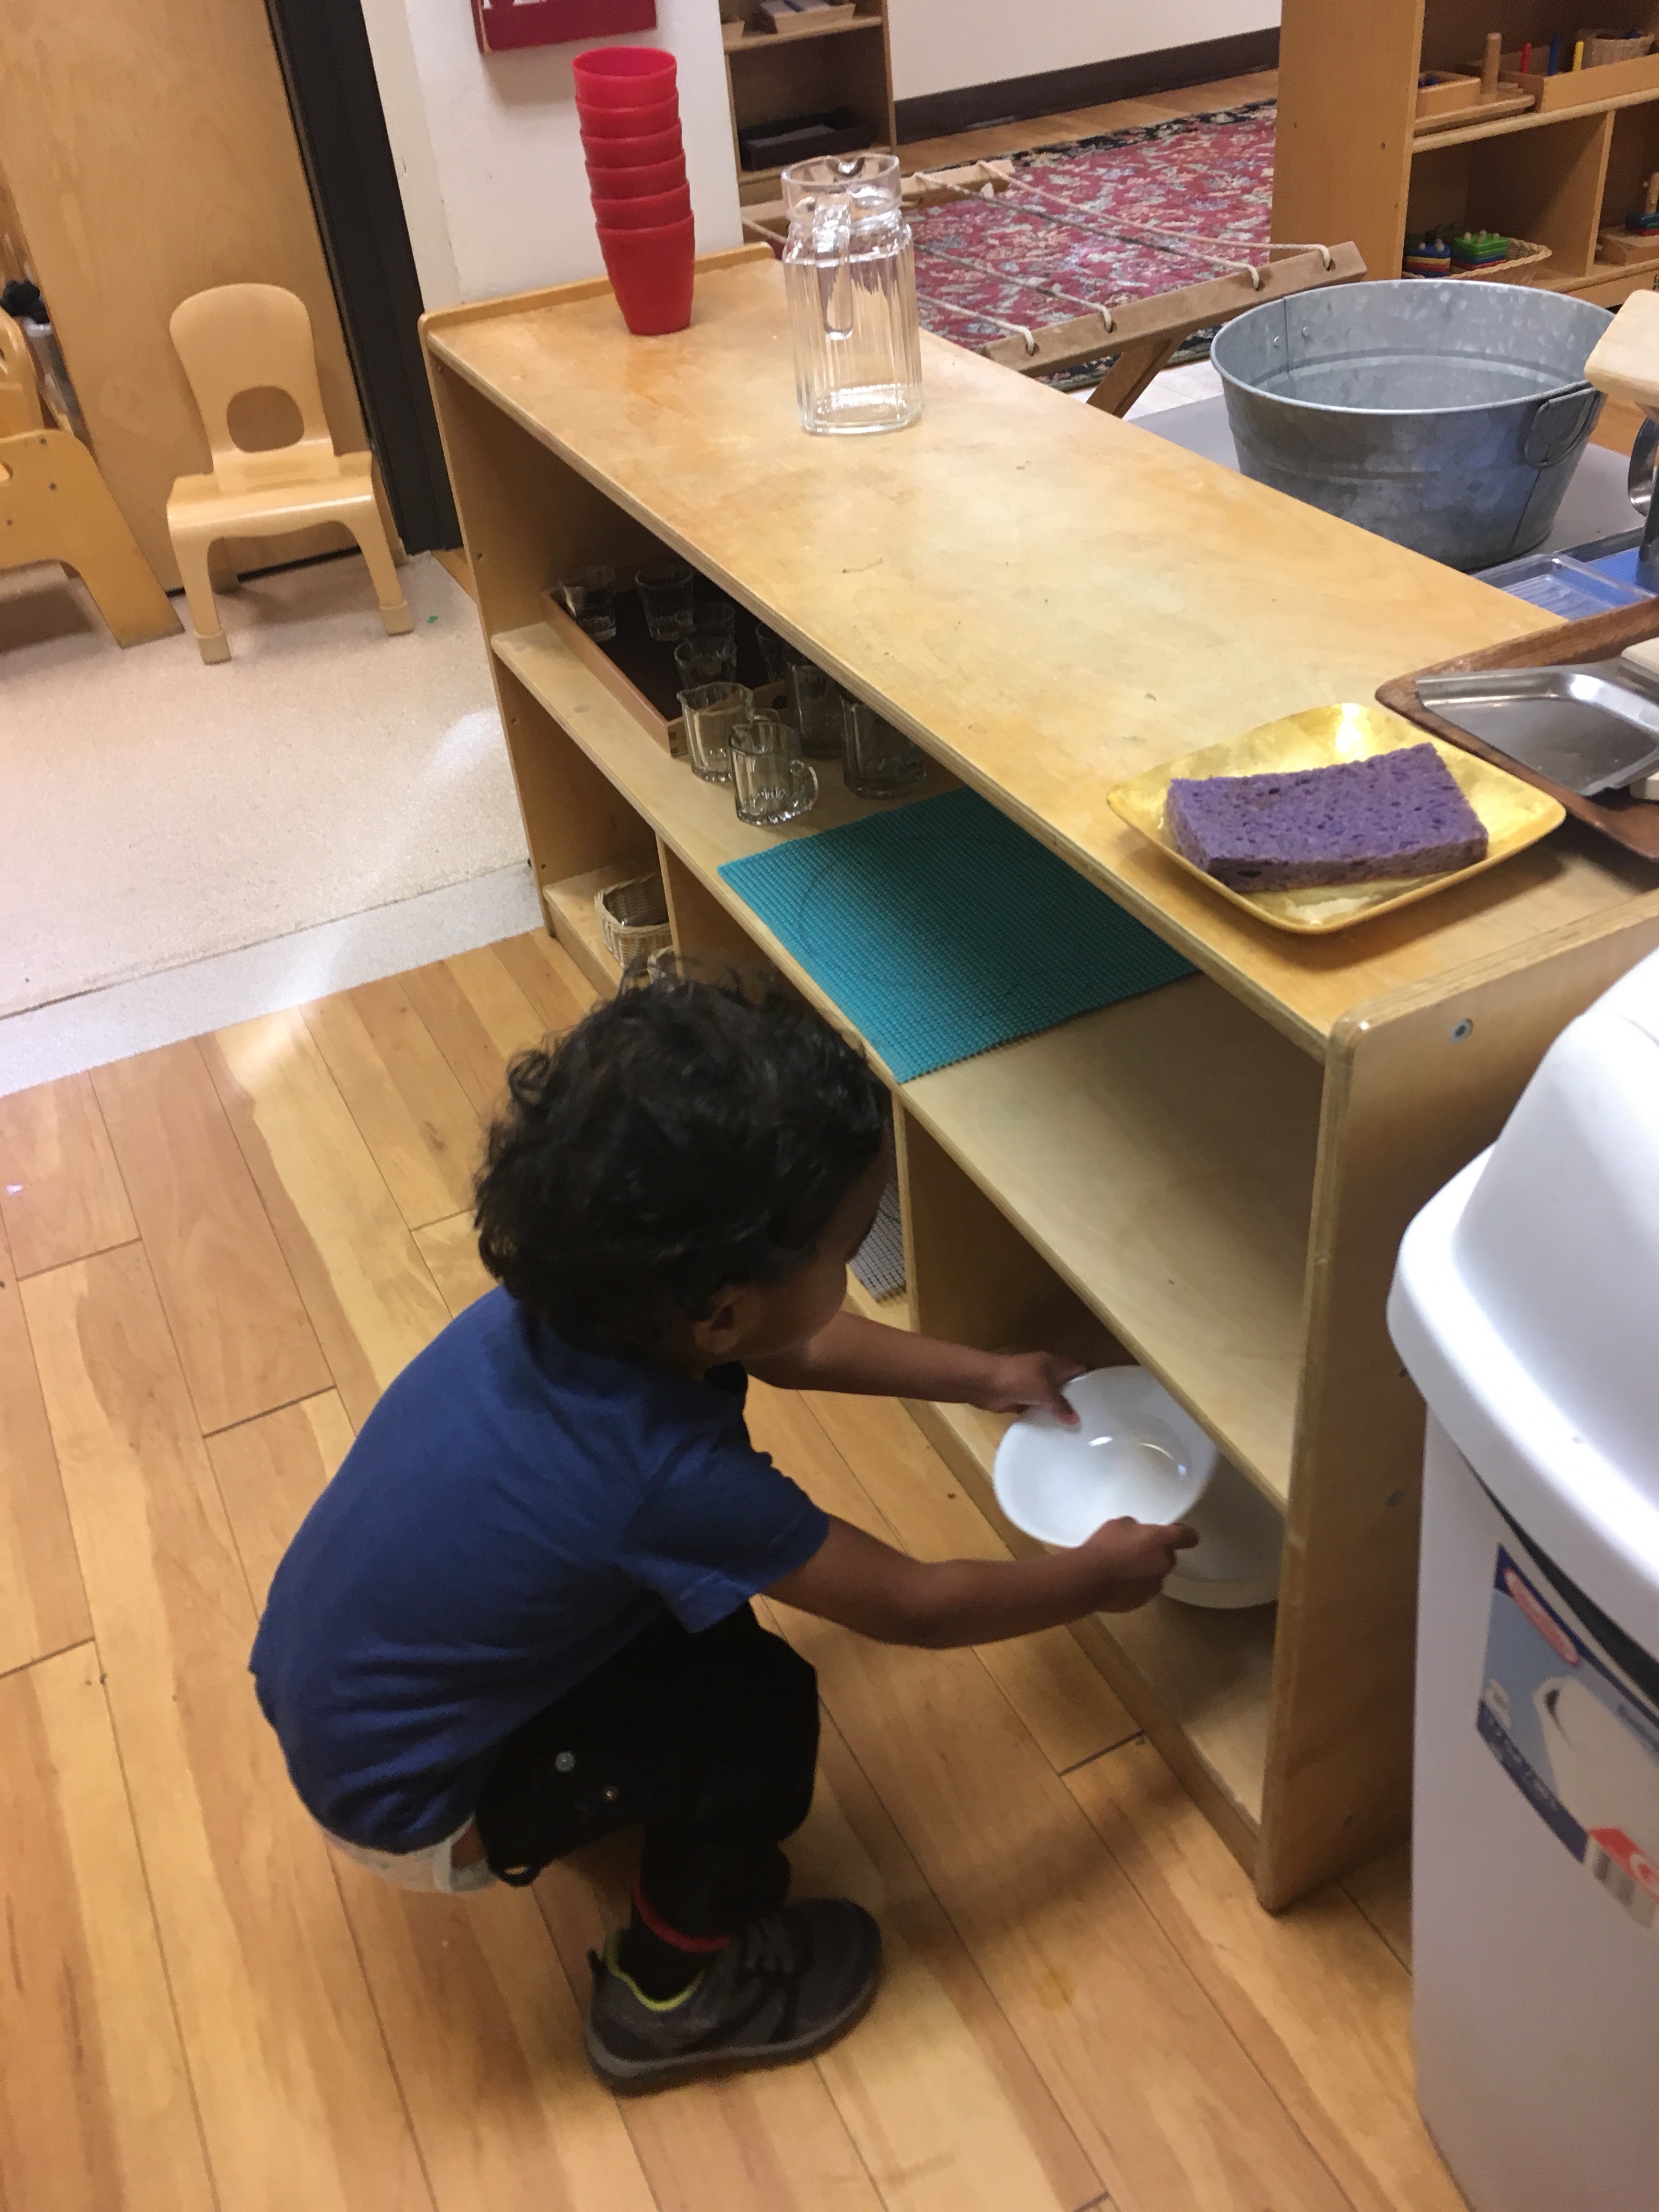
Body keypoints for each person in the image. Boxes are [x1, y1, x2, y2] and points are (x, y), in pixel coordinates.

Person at [250, 970, 1196, 2091]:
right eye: (845, 1254)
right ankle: (669, 1993)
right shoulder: (665, 1474)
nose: (851, 1275)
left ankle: (577, 1785)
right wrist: (1093, 1578)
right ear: (719, 1312)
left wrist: (983, 1374)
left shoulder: (581, 1305)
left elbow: (788, 1345)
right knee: (756, 1715)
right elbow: (910, 1603)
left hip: (342, 1690)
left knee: (687, 1620)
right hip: (410, 1798)